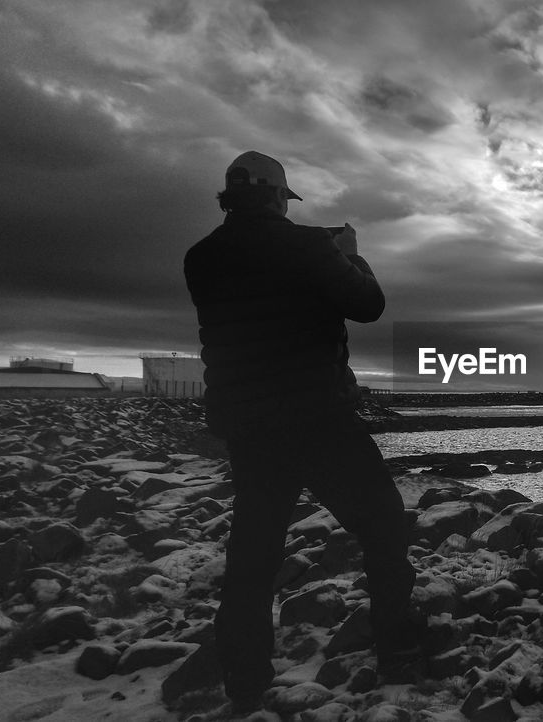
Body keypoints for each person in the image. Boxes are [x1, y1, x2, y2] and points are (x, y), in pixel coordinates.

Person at [184, 151, 417, 711]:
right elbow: (368, 305)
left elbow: (253, 304)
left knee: (254, 553)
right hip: (318, 418)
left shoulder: (201, 258)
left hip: (249, 426)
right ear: (276, 197)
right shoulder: (308, 246)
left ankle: (244, 680)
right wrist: (351, 257)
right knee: (383, 527)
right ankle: (400, 653)